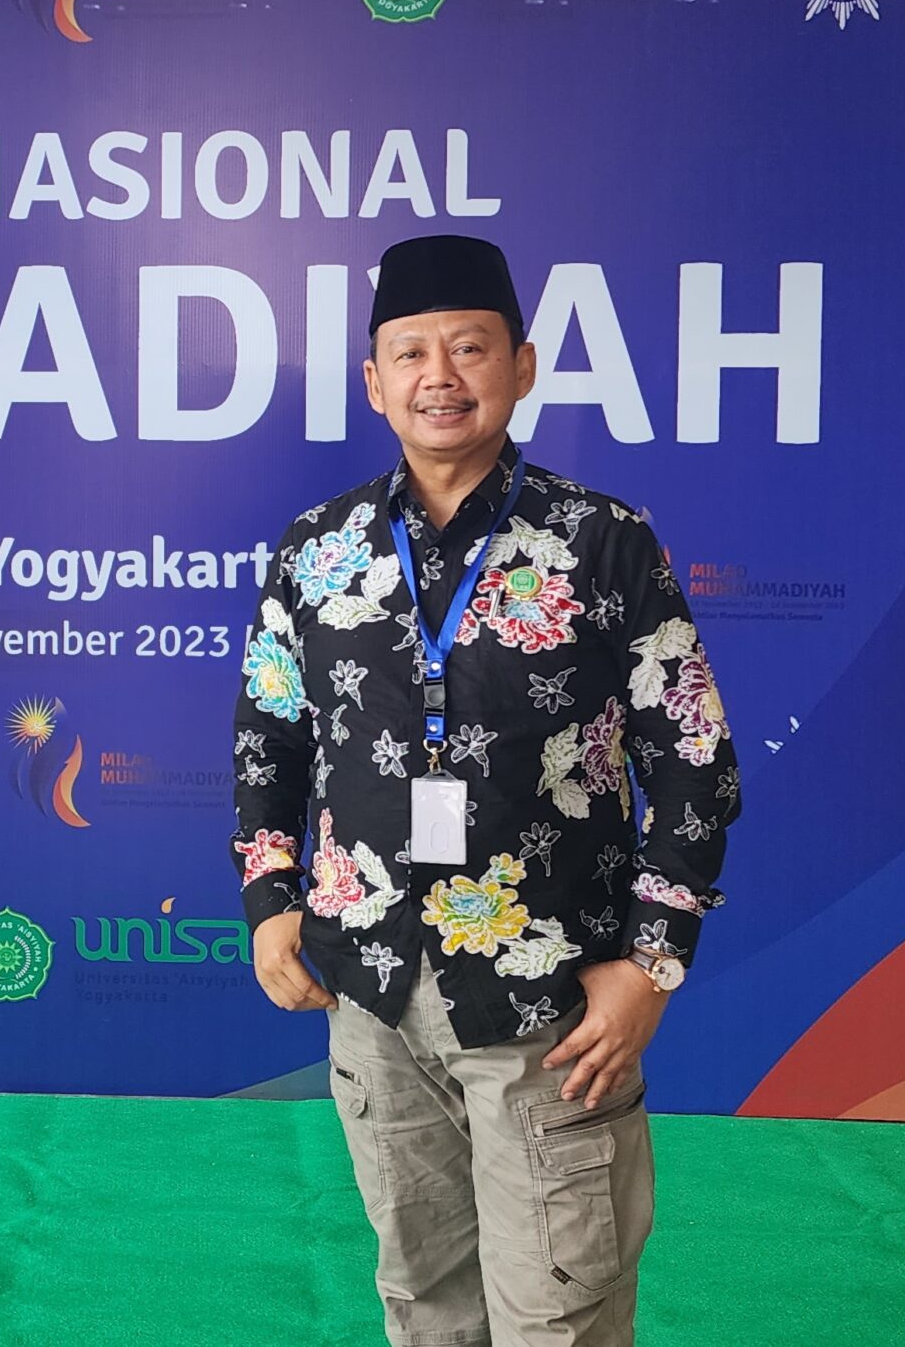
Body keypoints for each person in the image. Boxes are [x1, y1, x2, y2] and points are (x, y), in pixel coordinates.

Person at [228, 234, 741, 1347]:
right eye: (411, 353)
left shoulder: (602, 542)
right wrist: (271, 899)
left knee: (559, 1310)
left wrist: (651, 963)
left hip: (548, 998)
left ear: (522, 365)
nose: (440, 376)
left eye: (468, 347)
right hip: (370, 986)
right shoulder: (317, 548)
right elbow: (269, 732)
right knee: (423, 1301)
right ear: (375, 382)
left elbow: (693, 755)